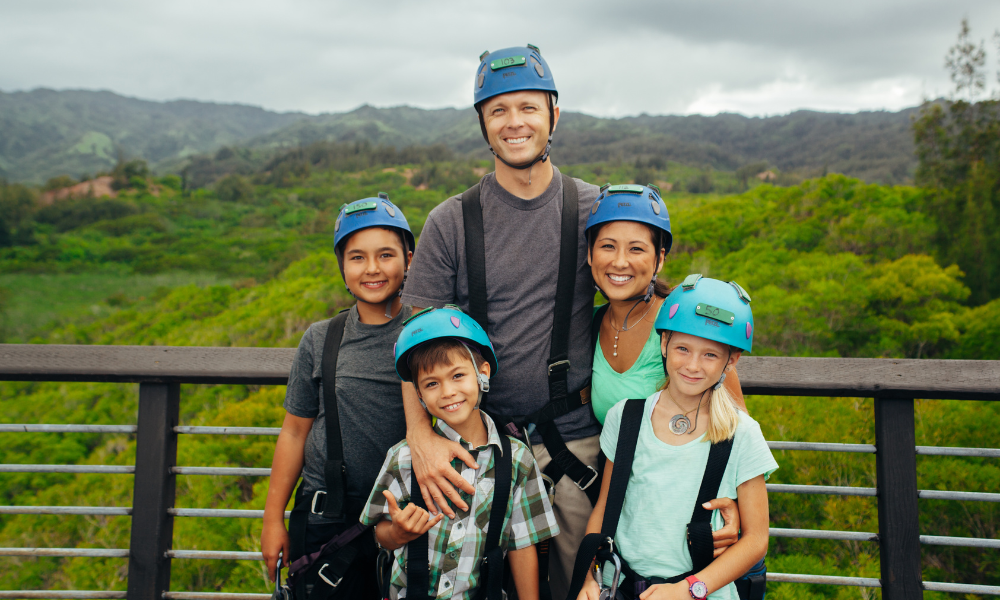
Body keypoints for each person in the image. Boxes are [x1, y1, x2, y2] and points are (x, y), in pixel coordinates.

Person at [401, 46, 741, 598]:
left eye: (529, 108)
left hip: (575, 445)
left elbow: (660, 302)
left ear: (554, 114)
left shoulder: (593, 210)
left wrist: (725, 480)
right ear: (483, 124)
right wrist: (420, 435)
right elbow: (416, 344)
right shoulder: (451, 222)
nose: (515, 123)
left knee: (580, 584)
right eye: (499, 110)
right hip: (474, 442)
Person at [570, 277, 778, 600]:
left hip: (700, 591)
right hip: (619, 587)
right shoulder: (625, 418)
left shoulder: (742, 434)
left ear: (731, 361)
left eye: (710, 355)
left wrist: (689, 590)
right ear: (664, 343)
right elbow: (604, 510)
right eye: (683, 348)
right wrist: (589, 578)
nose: (693, 366)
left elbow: (755, 540)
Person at [260, 195, 415, 599]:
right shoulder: (321, 338)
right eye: (357, 258)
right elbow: (295, 431)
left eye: (386, 255)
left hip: (405, 514)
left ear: (409, 259)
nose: (373, 269)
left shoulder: (426, 334)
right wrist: (272, 519)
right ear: (342, 269)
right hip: (328, 519)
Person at [362, 305, 559, 600]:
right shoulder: (404, 457)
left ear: (483, 373)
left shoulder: (516, 460)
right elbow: (381, 532)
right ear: (419, 395)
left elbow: (522, 544)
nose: (447, 392)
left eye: (457, 376)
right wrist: (398, 533)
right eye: (431, 384)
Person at [586, 183, 748, 426]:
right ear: (589, 254)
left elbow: (738, 428)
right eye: (608, 246)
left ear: (659, 259)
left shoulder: (686, 323)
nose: (620, 262)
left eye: (636, 249)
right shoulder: (590, 323)